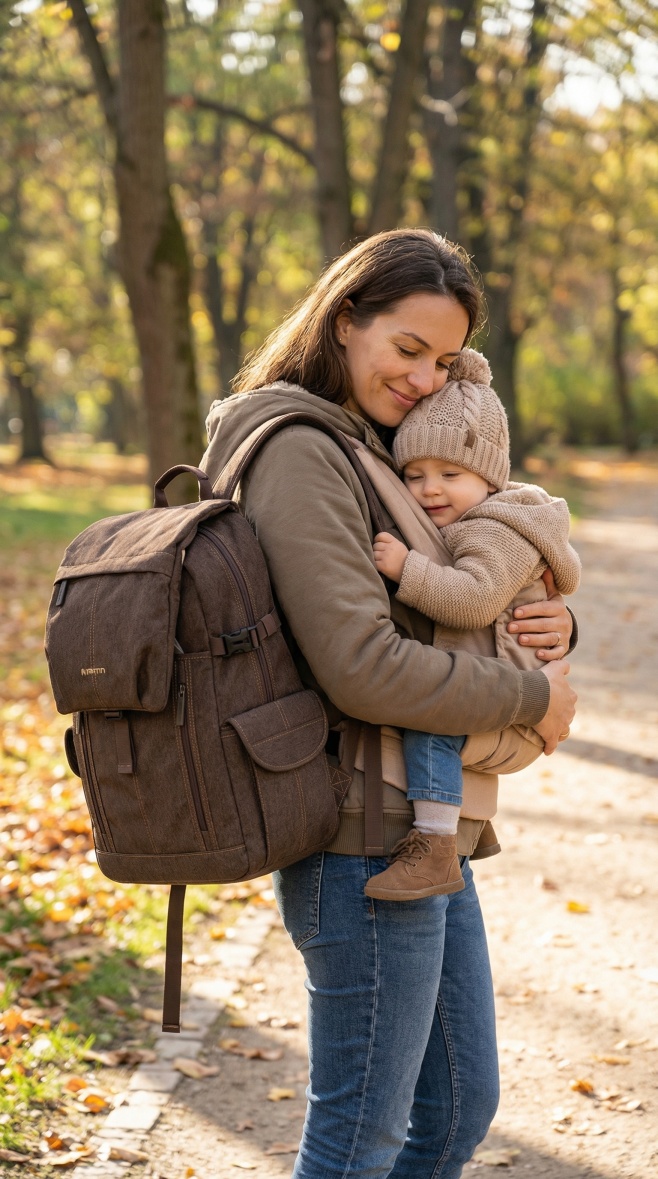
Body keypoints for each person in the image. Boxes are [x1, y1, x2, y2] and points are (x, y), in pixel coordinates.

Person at [200, 229, 576, 1179]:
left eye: (444, 361)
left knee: (454, 1109)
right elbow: (362, 665)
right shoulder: (297, 449)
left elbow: (449, 593)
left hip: (419, 818)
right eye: (407, 349)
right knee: (363, 1130)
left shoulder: (377, 449)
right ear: (343, 319)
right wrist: (534, 693)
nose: (423, 378)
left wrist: (542, 630)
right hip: (359, 837)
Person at [365, 348, 581, 902]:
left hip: (516, 702)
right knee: (435, 709)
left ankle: (435, 842)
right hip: (510, 691)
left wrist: (406, 569)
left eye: (449, 473)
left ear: (488, 478)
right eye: (413, 475)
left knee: (432, 715)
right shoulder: (481, 516)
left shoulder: (494, 530)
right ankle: (451, 835)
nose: (429, 489)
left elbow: (475, 602)